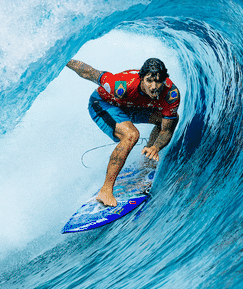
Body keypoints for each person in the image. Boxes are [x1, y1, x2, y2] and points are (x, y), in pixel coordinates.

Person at [66, 57, 180, 207]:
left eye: (158, 81)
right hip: (103, 104)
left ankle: (147, 163)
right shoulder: (121, 85)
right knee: (131, 135)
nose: (154, 86)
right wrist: (63, 60)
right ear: (141, 78)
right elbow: (90, 72)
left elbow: (166, 130)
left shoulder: (171, 94)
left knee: (168, 119)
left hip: (134, 107)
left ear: (165, 80)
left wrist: (155, 147)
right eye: (149, 81)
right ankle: (105, 191)